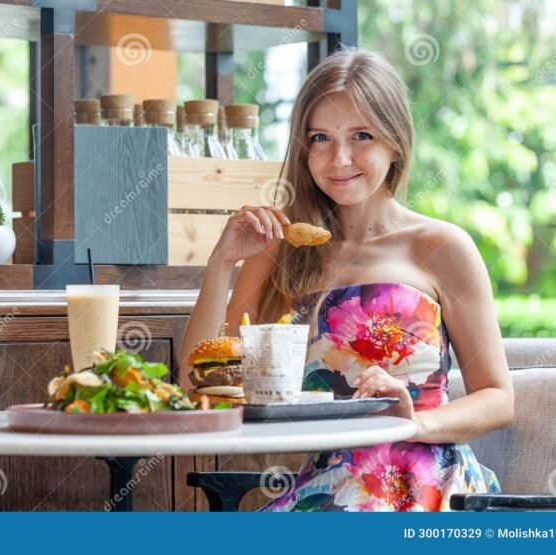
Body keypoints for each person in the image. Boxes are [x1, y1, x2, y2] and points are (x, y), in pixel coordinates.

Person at [179, 48, 515, 512]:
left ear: (394, 142)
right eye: (320, 138)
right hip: (326, 486)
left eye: (361, 136)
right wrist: (220, 264)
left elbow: (498, 398)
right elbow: (196, 383)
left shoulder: (442, 247)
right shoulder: (280, 250)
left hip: (425, 483)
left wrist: (410, 423)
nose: (339, 159)